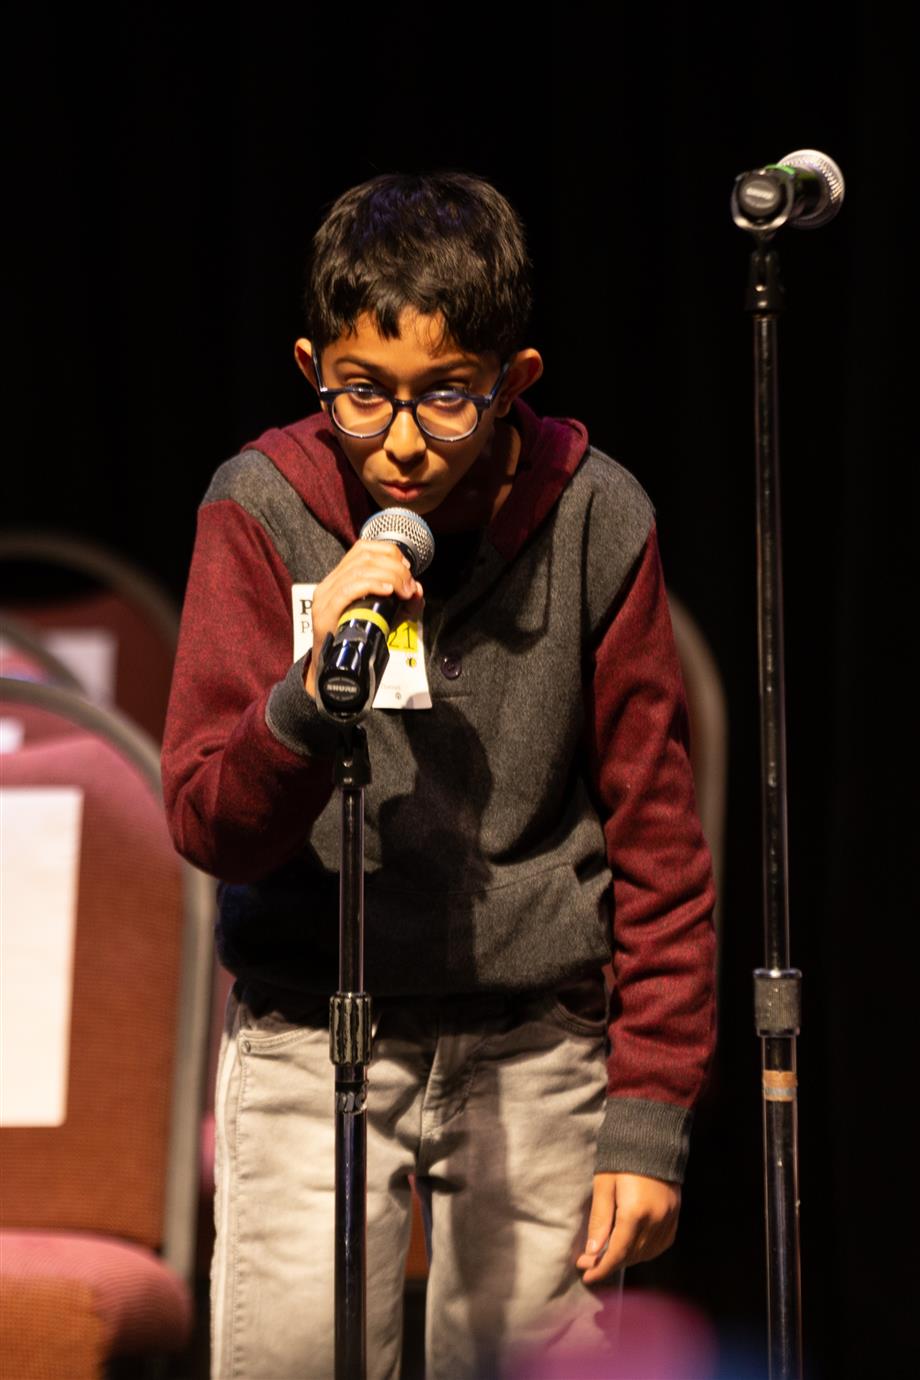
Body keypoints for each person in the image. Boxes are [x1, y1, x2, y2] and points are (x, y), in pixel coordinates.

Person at [161, 171, 716, 1380]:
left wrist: (650, 1107)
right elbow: (208, 821)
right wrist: (307, 700)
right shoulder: (257, 508)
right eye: (361, 396)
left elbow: (657, 840)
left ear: (512, 381)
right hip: (314, 1035)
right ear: (314, 366)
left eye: (445, 400)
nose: (401, 442)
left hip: (535, 1043)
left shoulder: (594, 516)